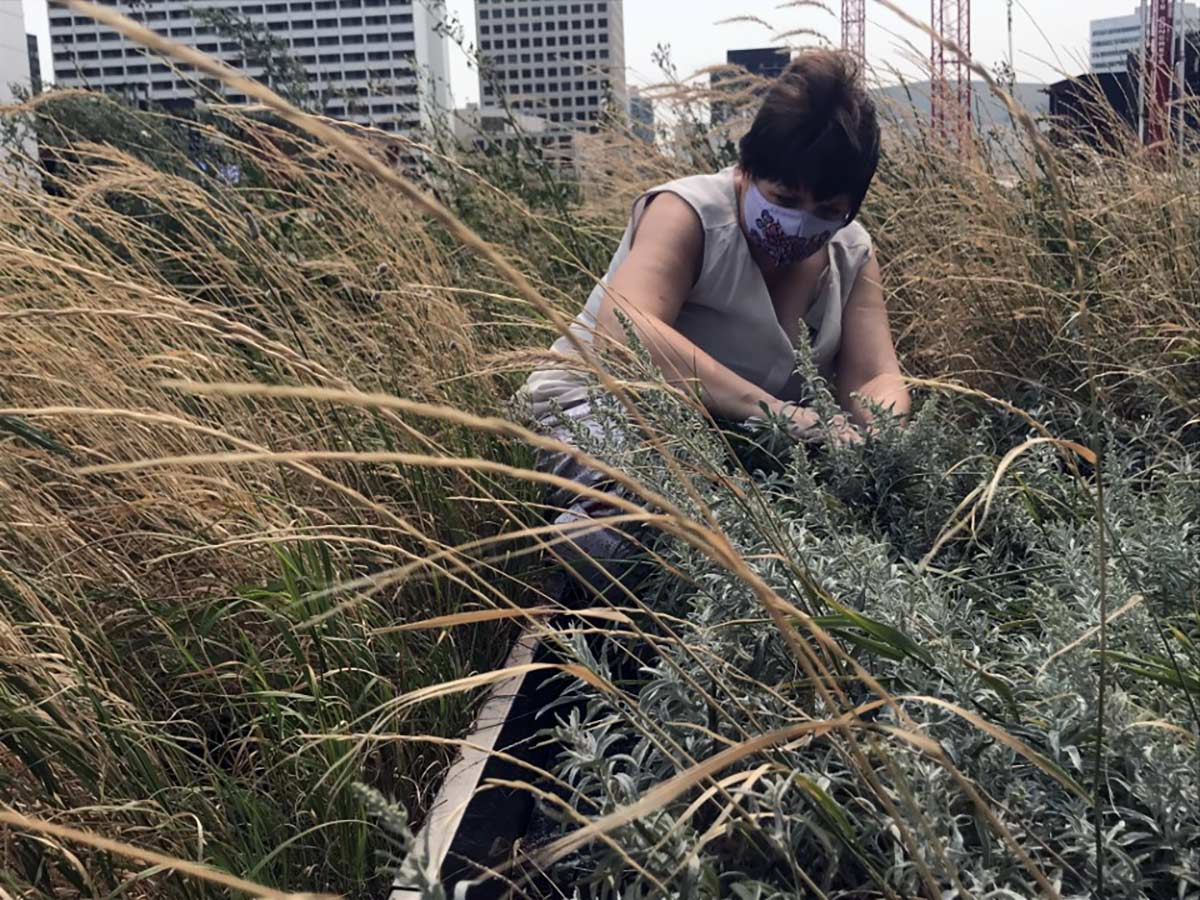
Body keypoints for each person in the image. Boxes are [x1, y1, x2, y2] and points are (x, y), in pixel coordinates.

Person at [523, 49, 911, 600]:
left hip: (726, 435)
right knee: (655, 527)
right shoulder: (688, 213)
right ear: (747, 169)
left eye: (827, 209)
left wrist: (879, 437)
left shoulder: (850, 253)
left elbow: (875, 376)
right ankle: (604, 548)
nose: (802, 221)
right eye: (783, 198)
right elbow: (624, 334)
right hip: (607, 406)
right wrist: (788, 417)